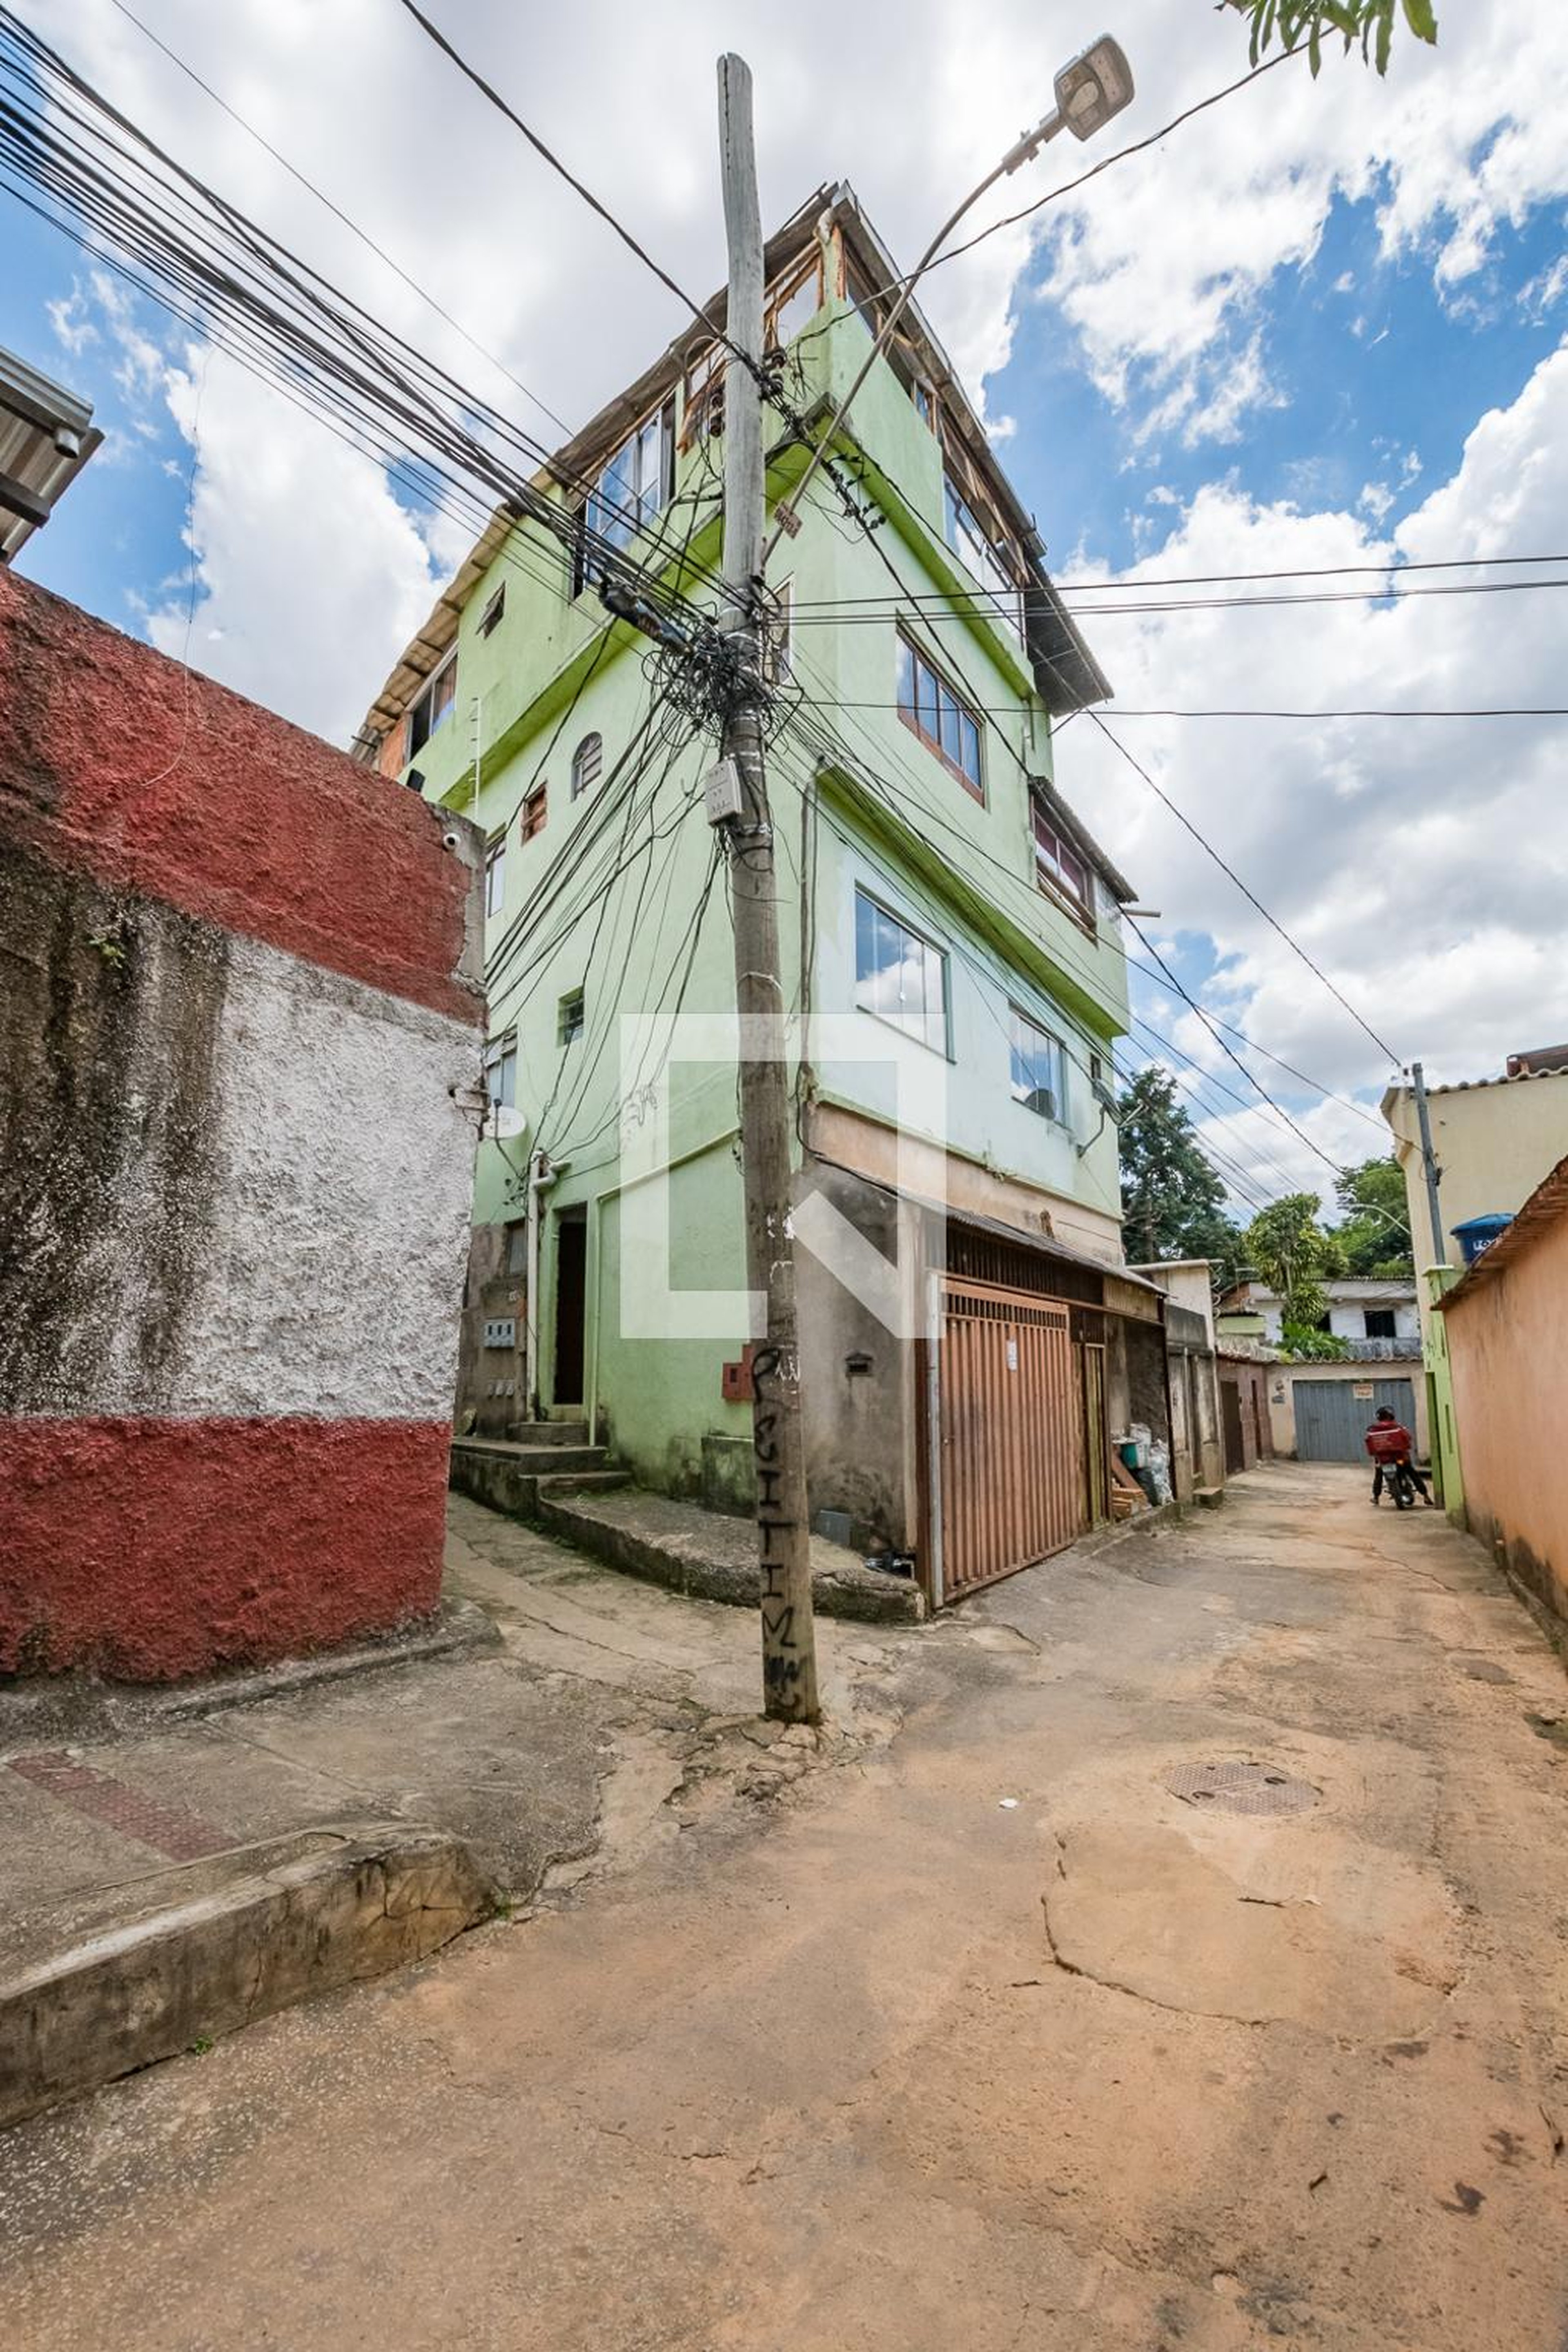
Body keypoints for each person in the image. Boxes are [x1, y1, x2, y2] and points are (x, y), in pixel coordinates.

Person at [1364, 1405, 1435, 1506]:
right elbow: (1407, 1438)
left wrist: (1375, 1454)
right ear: (1391, 1416)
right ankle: (1426, 1496)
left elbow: (1369, 1443)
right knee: (1412, 1473)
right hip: (1400, 1457)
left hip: (1383, 1460)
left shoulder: (1373, 1429)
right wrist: (1407, 1447)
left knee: (1379, 1475)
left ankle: (1376, 1498)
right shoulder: (1398, 1427)